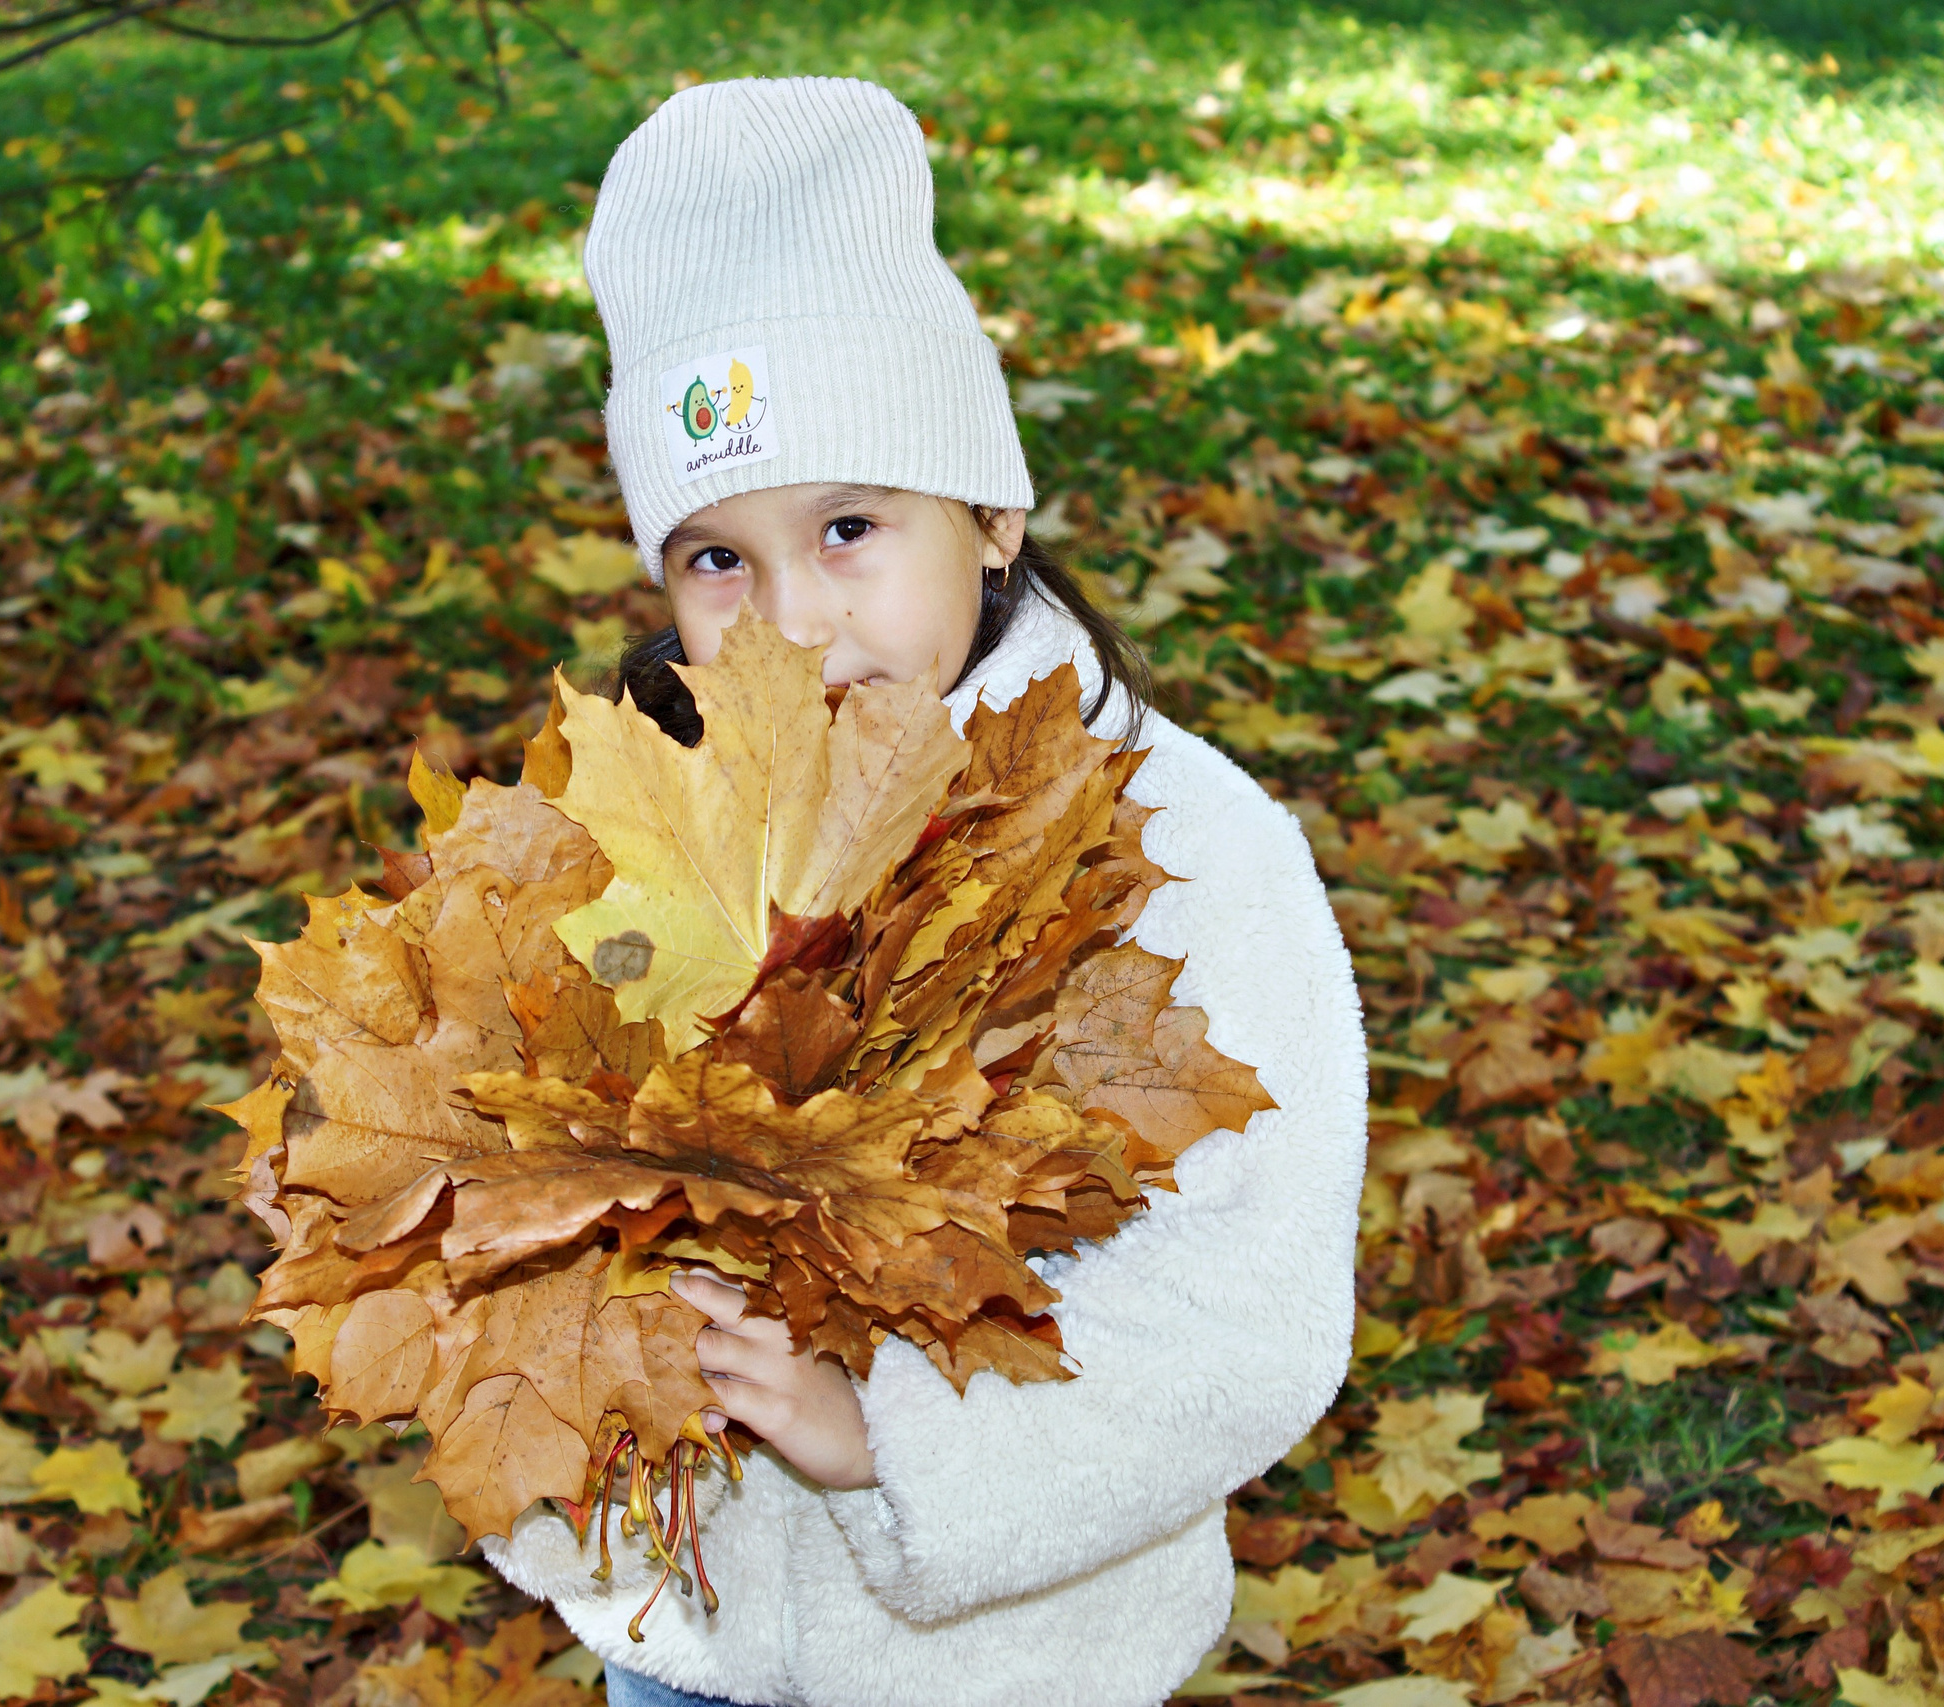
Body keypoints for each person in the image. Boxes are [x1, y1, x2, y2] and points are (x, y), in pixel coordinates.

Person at [480, 75, 1370, 1707]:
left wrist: (882, 1438)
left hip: (1013, 1664)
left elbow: (1238, 1313)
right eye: (719, 560)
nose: (795, 622)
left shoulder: (1173, 847)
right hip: (697, 1645)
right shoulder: (641, 831)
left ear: (990, 514)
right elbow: (540, 1156)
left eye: (848, 527)